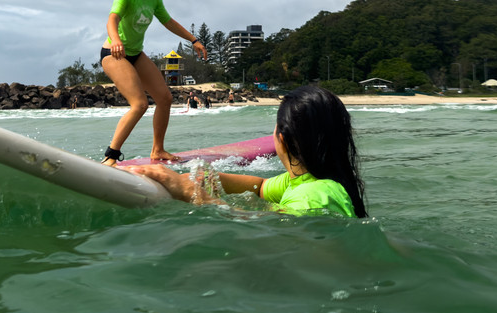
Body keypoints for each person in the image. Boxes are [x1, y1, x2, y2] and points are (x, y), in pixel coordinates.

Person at [130, 85, 367, 217]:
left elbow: (273, 233)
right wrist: (208, 176)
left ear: (281, 139)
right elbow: (260, 187)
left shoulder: (312, 197)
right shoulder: (310, 181)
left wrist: (191, 193)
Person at [100, 0, 207, 166]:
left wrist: (194, 40)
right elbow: (112, 19)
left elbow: (169, 22)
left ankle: (158, 150)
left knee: (164, 98)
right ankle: (110, 157)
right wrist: (116, 40)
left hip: (135, 54)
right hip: (114, 53)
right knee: (139, 104)